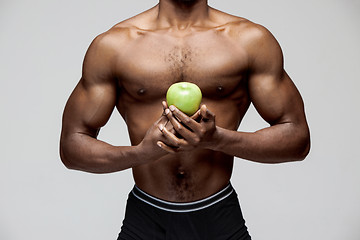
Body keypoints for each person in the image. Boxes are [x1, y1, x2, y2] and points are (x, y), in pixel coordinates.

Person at [60, 0, 310, 239]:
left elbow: (297, 138)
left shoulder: (250, 41)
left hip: (219, 217)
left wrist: (218, 139)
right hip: (145, 217)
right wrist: (141, 153)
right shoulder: (114, 46)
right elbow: (72, 146)